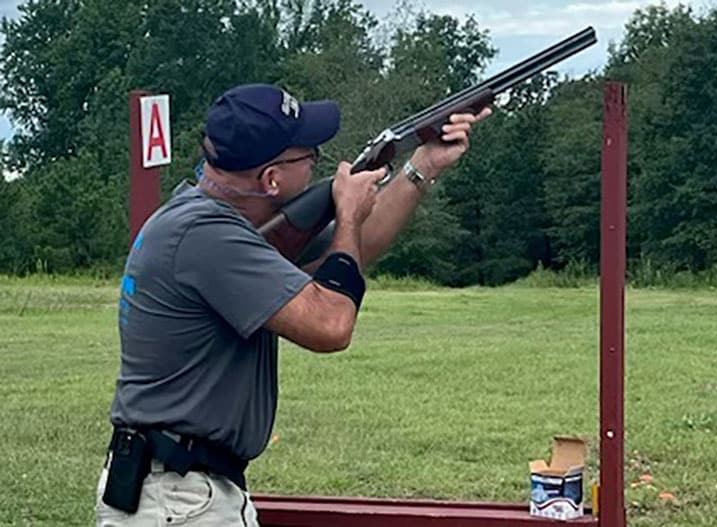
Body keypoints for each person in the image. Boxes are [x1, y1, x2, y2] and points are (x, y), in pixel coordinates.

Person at [95, 83, 491, 526]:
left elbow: (349, 253)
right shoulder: (208, 236)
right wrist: (347, 213)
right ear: (271, 180)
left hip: (182, 490)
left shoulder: (206, 222)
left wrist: (421, 166)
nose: (319, 166)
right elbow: (330, 323)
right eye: (311, 158)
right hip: (181, 501)